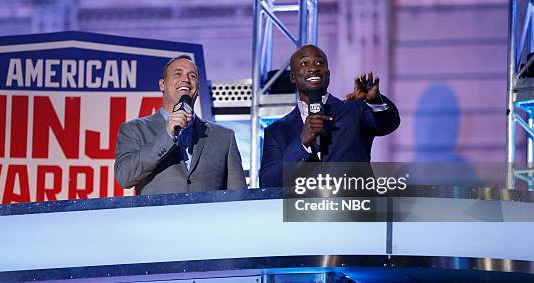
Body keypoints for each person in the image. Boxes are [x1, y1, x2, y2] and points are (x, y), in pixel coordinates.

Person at [259, 45, 400, 188]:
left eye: (319, 62)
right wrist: (302, 143)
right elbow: (268, 183)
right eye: (304, 63)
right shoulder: (276, 131)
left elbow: (388, 124)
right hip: (303, 209)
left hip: (355, 207)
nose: (314, 68)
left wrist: (375, 101)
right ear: (292, 77)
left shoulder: (354, 109)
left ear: (328, 73)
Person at [115, 55, 247, 194]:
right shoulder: (135, 129)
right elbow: (124, 177)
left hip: (208, 216)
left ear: (198, 86)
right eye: (178, 74)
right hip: (157, 215)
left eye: (192, 76)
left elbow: (238, 194)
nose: (186, 79)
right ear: (162, 84)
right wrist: (167, 136)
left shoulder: (224, 136)